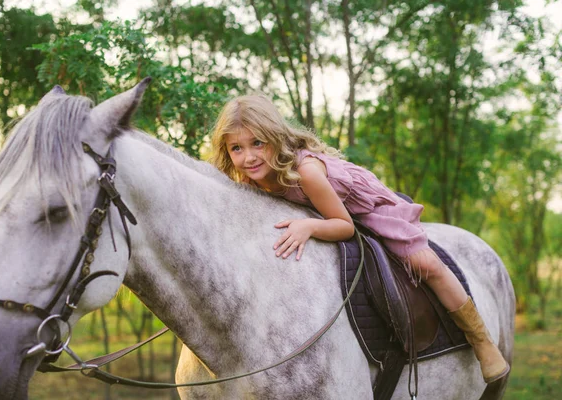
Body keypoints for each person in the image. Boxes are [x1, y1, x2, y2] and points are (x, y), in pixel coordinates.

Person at [209, 94, 509, 383]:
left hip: (369, 211)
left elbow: (345, 226)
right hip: (327, 211)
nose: (248, 157)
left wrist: (308, 227)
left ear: (274, 137)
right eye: (236, 148)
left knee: (425, 263)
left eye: (257, 143)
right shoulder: (252, 178)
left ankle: (481, 340)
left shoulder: (307, 171)